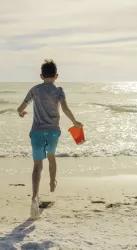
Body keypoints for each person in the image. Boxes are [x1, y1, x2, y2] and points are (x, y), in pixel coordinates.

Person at [17, 59, 83, 219]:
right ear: (56, 76)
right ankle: (53, 182)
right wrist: (74, 122)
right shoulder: (59, 90)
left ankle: (34, 197)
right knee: (52, 157)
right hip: (53, 131)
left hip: (37, 132)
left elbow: (21, 107)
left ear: (41, 76)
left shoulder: (35, 90)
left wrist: (21, 112)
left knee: (37, 166)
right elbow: (65, 108)